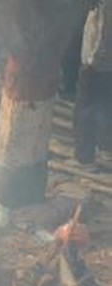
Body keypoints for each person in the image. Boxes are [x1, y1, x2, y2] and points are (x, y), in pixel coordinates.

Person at [75, 3, 112, 167]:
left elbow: (103, 30)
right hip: (103, 62)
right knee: (103, 106)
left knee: (86, 109)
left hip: (97, 62)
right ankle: (104, 146)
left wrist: (93, 60)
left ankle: (85, 155)